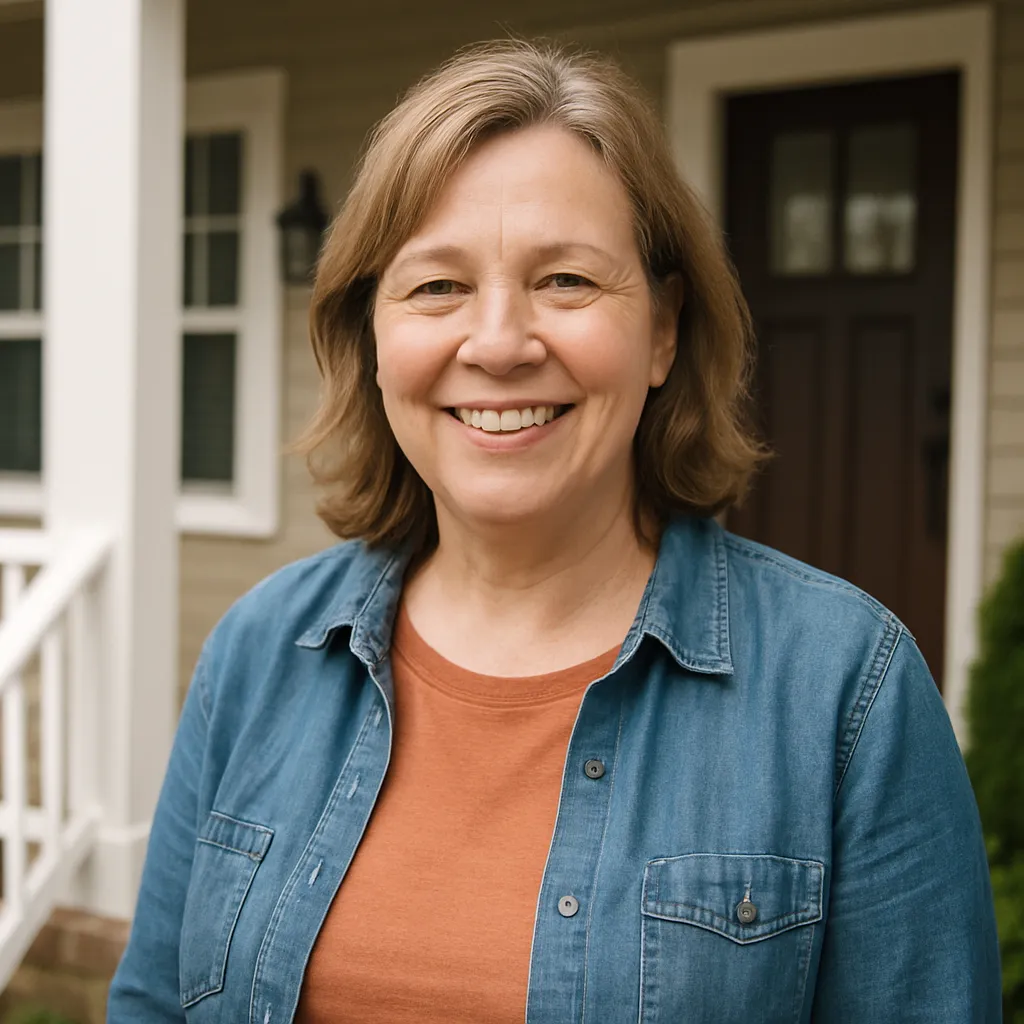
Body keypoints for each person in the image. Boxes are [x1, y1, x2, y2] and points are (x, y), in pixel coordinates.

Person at [107, 40, 1000, 1023]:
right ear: (370, 335)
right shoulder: (259, 649)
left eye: (566, 280)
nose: (496, 344)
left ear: (661, 329)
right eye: (436, 286)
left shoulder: (845, 690)